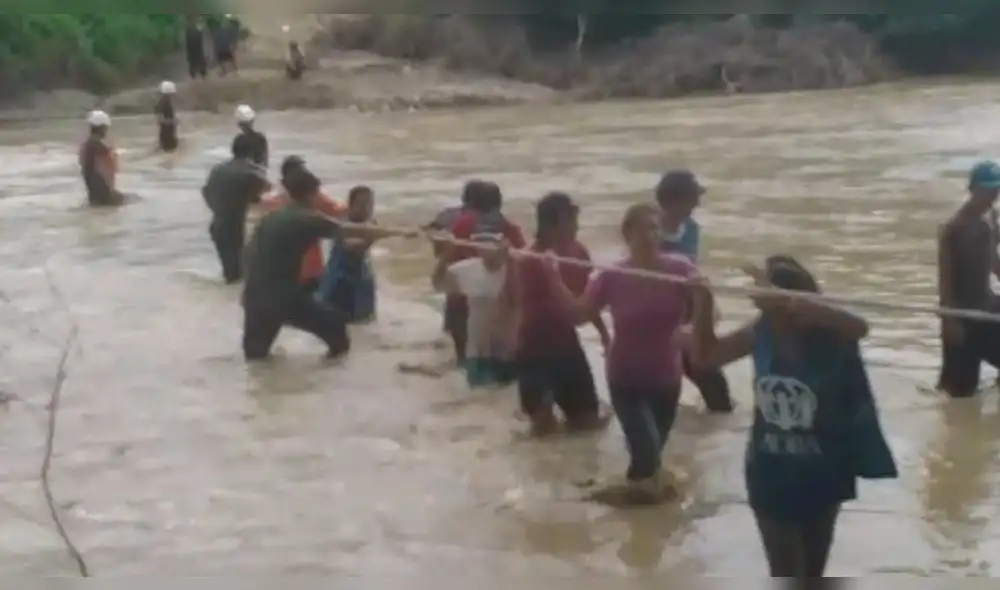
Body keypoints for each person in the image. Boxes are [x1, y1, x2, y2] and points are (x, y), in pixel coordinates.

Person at [689, 255, 894, 578]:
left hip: (825, 471)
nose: (768, 317)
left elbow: (861, 326)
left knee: (814, 575)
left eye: (772, 308)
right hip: (770, 472)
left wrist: (789, 302)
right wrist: (702, 304)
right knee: (786, 574)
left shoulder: (833, 333)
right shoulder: (761, 331)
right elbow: (706, 358)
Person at [543, 203, 697, 501]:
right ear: (627, 234)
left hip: (666, 378)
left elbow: (708, 311)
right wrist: (553, 277)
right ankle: (612, 508)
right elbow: (578, 314)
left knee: (648, 462)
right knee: (648, 451)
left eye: (655, 228)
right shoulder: (612, 276)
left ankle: (625, 512)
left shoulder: (680, 270)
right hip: (625, 376)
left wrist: (692, 326)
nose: (651, 235)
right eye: (643, 229)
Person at [242, 170, 406, 360]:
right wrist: (397, 231)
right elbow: (349, 230)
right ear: (311, 194)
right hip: (284, 298)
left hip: (254, 297)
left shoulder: (270, 218)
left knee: (255, 360)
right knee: (338, 335)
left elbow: (248, 252)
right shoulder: (308, 218)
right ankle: (325, 384)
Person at [513, 192, 609, 435]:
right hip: (534, 347)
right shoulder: (529, 260)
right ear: (555, 224)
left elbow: (589, 298)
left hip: (567, 344)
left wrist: (605, 335)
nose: (577, 226)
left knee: (588, 423)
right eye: (572, 221)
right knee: (543, 427)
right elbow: (512, 306)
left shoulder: (579, 253)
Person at [655, 170, 733, 413]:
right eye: (692, 198)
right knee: (662, 385)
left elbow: (694, 270)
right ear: (671, 201)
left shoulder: (691, 228)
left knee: (714, 386)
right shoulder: (649, 232)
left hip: (689, 311)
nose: (697, 203)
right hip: (658, 315)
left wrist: (707, 309)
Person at [445, 181, 526, 366]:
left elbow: (450, 257)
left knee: (465, 357)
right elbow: (522, 259)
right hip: (500, 298)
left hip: (463, 295)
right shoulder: (509, 227)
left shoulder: (463, 223)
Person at [937, 160, 1000, 398]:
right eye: (987, 189)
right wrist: (949, 322)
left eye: (997, 189)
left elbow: (994, 262)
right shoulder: (953, 228)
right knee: (960, 396)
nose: (992, 195)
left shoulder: (992, 217)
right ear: (972, 188)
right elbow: (945, 283)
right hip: (962, 316)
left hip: (988, 308)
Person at [432, 234, 516, 388]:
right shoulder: (466, 270)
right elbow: (438, 284)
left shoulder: (515, 270)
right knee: (479, 399)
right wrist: (445, 255)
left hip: (506, 352)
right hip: (477, 353)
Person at [258, 156, 345, 293]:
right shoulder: (313, 199)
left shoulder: (268, 200)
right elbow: (340, 212)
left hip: (275, 272)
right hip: (308, 272)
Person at [202, 134, 270, 284]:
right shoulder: (253, 173)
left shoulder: (218, 169)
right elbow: (269, 199)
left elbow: (206, 192)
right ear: (256, 152)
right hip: (236, 229)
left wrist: (222, 209)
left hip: (218, 225)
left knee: (232, 278)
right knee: (246, 279)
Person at [317, 185, 379, 324]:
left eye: (370, 204)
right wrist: (372, 237)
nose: (367, 209)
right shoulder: (340, 224)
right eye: (362, 205)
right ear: (350, 205)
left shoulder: (372, 223)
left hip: (362, 279)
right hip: (338, 279)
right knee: (332, 321)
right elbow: (351, 246)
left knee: (365, 323)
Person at [78, 110, 123, 207]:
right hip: (102, 192)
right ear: (102, 128)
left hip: (94, 192)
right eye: (106, 128)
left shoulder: (87, 145)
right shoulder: (98, 146)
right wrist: (110, 191)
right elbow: (105, 170)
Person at [234, 105, 268, 170]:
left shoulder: (238, 140)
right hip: (258, 174)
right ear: (252, 121)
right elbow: (265, 162)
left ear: (239, 124)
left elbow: (236, 162)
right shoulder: (260, 138)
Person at [154, 80, 179, 152]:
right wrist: (172, 121)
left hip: (166, 132)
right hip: (167, 133)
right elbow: (160, 116)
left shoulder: (163, 100)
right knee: (169, 149)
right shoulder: (164, 101)